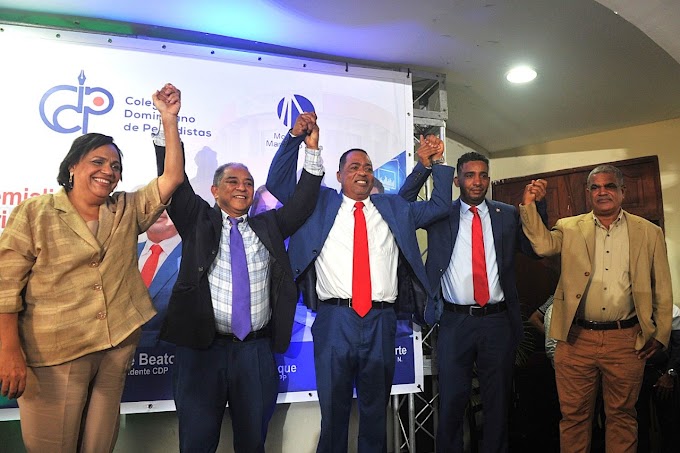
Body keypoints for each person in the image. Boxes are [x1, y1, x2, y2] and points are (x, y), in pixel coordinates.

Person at [0, 82, 184, 452]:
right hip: (54, 354)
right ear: (72, 167)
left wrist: (169, 119)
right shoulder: (35, 213)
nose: (108, 171)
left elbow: (172, 178)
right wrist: (8, 350)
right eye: (97, 162)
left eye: (115, 166)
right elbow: (5, 287)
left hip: (115, 349)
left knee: (99, 445)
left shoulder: (125, 209)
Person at [266, 112, 454, 453]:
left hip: (381, 321)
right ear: (338, 175)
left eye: (367, 167)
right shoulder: (319, 203)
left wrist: (435, 163)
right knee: (334, 412)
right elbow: (278, 184)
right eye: (354, 167)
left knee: (374, 413)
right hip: (335, 320)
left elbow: (441, 206)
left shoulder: (393, 208)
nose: (362, 172)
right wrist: (295, 139)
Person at [154, 114, 324, 453]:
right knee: (197, 443)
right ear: (215, 191)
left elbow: (303, 203)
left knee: (252, 443)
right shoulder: (197, 219)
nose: (242, 187)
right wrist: (168, 122)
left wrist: (311, 149)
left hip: (255, 353)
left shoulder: (269, 225)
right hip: (202, 352)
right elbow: (174, 182)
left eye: (248, 182)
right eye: (232, 181)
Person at [398, 150, 547, 453]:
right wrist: (423, 167)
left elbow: (534, 249)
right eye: (469, 175)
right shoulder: (441, 213)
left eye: (482, 175)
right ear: (456, 180)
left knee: (497, 403)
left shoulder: (507, 214)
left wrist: (537, 207)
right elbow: (401, 207)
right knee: (452, 401)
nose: (477, 182)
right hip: (455, 322)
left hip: (498, 321)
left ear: (489, 179)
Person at [519, 164, 673, 453]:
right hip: (575, 340)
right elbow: (542, 246)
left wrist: (661, 334)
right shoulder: (568, 226)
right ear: (588, 192)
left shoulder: (649, 232)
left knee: (622, 417)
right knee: (574, 418)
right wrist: (529, 205)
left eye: (609, 186)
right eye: (596, 187)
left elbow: (662, 287)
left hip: (626, 340)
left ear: (622, 191)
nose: (602, 192)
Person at [636, 304, 680, 453]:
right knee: (637, 425)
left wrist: (670, 374)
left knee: (670, 423)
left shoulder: (671, 310)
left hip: (663, 371)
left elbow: (678, 345)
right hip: (634, 374)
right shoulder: (628, 309)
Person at [137, 210, 182, 347]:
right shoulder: (124, 252)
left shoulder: (195, 254)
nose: (158, 209)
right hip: (122, 354)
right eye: (149, 204)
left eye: (166, 204)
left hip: (171, 353)